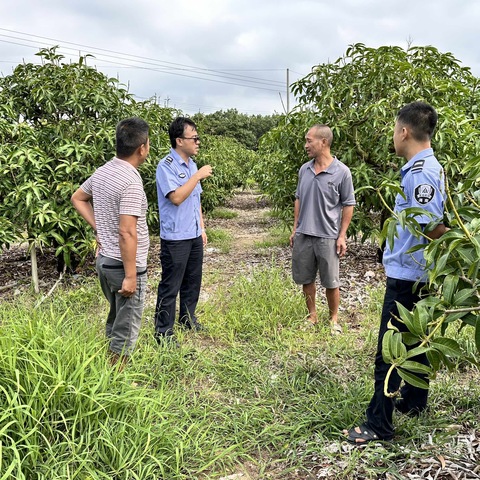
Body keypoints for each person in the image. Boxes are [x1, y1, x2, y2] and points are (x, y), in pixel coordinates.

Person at [344, 101, 449, 445]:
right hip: (420, 272)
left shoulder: (421, 172)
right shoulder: (423, 167)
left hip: (410, 276)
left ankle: (379, 424)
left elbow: (429, 224)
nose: (393, 136)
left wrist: (461, 243)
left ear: (404, 131)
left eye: (394, 129)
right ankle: (415, 402)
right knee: (418, 341)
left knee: (389, 351)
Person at [71, 117, 150, 369]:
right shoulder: (131, 181)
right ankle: (117, 381)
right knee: (126, 327)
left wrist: (99, 226)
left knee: (117, 316)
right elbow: (127, 232)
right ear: (142, 147)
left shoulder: (103, 171)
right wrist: (131, 275)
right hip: (122, 265)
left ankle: (108, 366)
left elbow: (78, 198)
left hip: (105, 261)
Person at [290, 124, 356, 333]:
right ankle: (312, 316)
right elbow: (298, 199)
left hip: (328, 235)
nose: (306, 145)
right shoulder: (304, 169)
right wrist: (295, 228)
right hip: (304, 233)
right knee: (306, 278)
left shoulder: (342, 172)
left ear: (324, 142)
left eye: (309, 141)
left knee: (331, 281)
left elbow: (349, 204)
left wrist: (342, 235)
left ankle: (333, 319)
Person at [154, 117, 212, 344]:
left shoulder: (192, 165)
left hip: (193, 233)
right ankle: (163, 331)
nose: (197, 142)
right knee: (171, 284)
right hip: (176, 236)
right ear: (179, 140)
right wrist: (196, 176)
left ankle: (188, 318)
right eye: (193, 138)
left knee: (192, 280)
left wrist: (202, 227)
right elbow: (176, 197)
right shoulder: (166, 166)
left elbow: (195, 198)